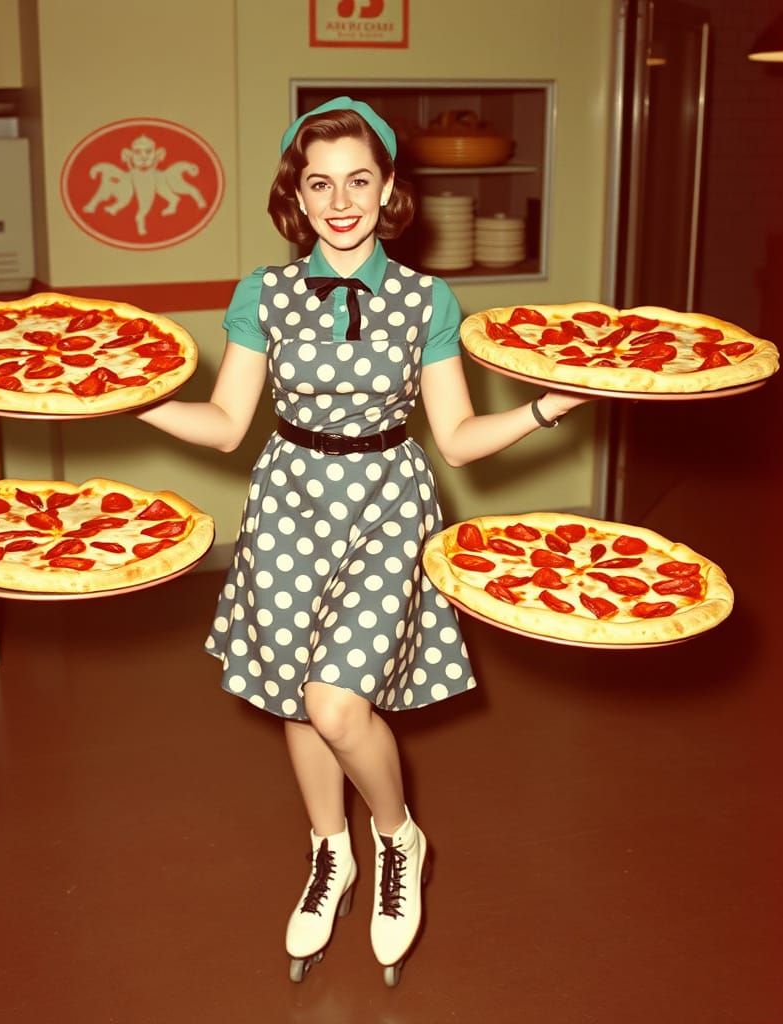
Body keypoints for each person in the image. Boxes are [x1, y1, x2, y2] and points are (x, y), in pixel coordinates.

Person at [137, 96, 590, 983]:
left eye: (358, 180)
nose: (339, 200)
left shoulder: (428, 298)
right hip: (287, 499)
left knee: (340, 703)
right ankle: (328, 850)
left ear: (387, 190)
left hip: (388, 497)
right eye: (320, 184)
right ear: (296, 198)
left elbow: (456, 437)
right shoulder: (261, 294)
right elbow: (229, 424)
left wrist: (542, 409)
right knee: (294, 695)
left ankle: (396, 839)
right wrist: (129, 400)